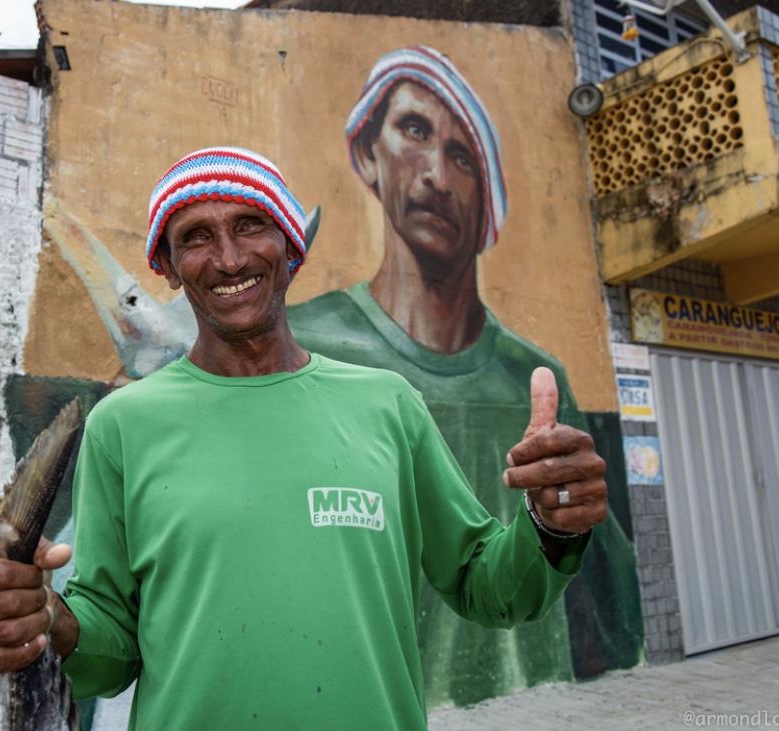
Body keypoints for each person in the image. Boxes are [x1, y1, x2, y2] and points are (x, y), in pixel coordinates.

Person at [0, 147, 609, 729]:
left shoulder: (387, 406)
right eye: (196, 237)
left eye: (250, 225)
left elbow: (488, 585)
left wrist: (550, 527)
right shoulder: (125, 423)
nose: (229, 257)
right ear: (171, 267)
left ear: (291, 245)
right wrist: (43, 616)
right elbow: (108, 654)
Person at [286, 46, 642, 702]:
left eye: (463, 157)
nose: (436, 177)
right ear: (366, 152)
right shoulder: (299, 346)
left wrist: (564, 522)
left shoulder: (534, 377)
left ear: (488, 204)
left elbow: (602, 594)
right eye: (414, 130)